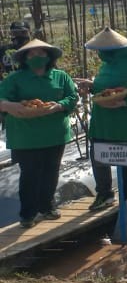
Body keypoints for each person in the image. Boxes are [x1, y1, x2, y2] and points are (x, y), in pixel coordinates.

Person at [75, 27, 127, 211]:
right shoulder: (107, 65)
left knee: (126, 156)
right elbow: (106, 88)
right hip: (103, 118)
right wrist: (92, 86)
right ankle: (104, 193)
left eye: (103, 51)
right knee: (98, 153)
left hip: (124, 119)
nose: (100, 54)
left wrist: (126, 102)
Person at [0, 39, 78, 227]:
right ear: (24, 58)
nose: (36, 57)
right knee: (30, 174)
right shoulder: (14, 79)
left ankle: (47, 207)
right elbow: (1, 98)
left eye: (41, 53)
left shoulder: (60, 77)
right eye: (31, 54)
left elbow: (72, 97)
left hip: (55, 134)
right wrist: (9, 105)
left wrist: (58, 106)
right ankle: (27, 214)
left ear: (48, 56)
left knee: (51, 171)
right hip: (25, 136)